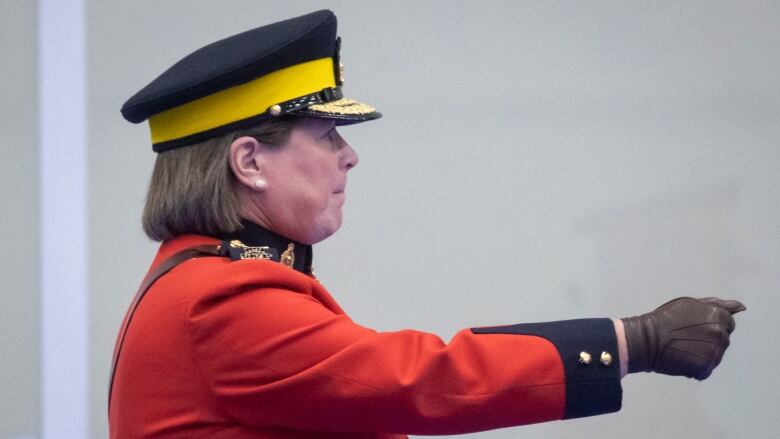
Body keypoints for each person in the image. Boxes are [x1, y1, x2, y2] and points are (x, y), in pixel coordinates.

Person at [110, 10, 745, 438]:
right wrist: (630, 341)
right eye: (328, 133)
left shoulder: (200, 281)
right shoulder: (218, 300)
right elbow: (422, 378)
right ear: (249, 161)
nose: (349, 155)